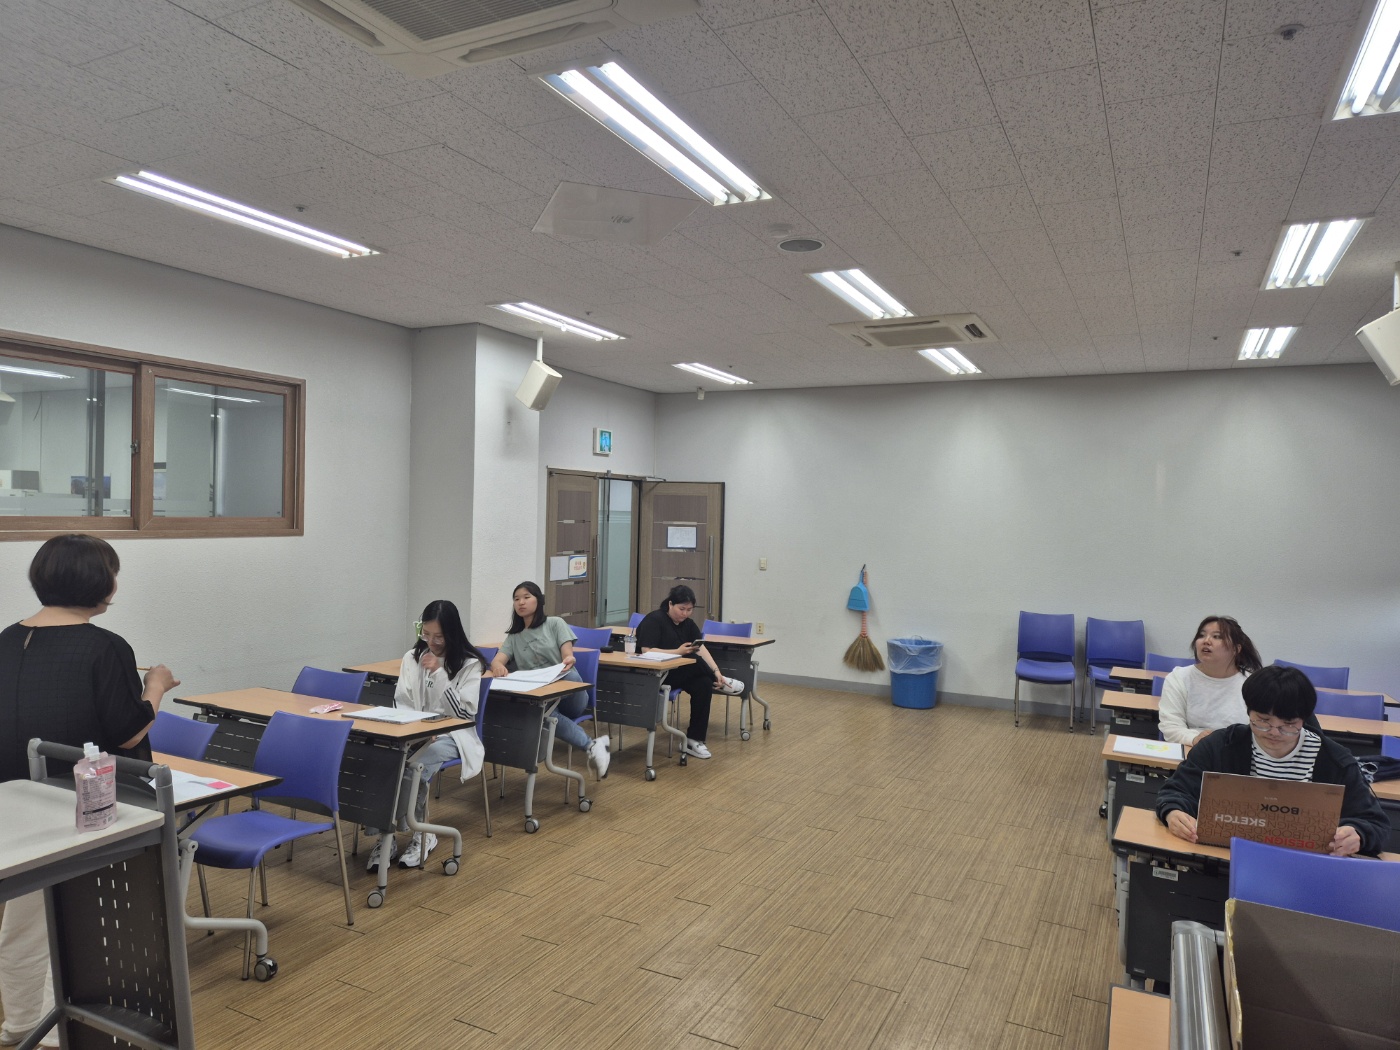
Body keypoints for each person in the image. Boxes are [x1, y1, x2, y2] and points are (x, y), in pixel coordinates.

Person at [0, 534, 179, 1049]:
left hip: (18, 794)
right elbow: (129, 731)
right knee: (76, 918)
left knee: (26, 914)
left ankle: (20, 1022)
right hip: (82, 804)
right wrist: (157, 684)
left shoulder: (7, 638)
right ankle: (59, 1031)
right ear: (100, 583)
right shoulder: (105, 646)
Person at [1156, 664, 1389, 857]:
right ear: (1249, 711)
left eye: (1288, 725)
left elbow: (1375, 824)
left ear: (1304, 719)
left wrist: (1357, 834)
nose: (1274, 732)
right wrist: (1173, 812)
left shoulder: (1334, 761)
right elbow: (1176, 791)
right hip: (1228, 860)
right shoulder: (1219, 746)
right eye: (1263, 721)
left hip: (1303, 867)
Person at [365, 600, 487, 871]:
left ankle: (421, 834)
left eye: (439, 637)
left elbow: (464, 714)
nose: (431, 642)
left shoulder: (470, 664)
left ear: (452, 633)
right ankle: (386, 836)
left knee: (413, 767)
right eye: (426, 634)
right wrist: (418, 728)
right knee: (381, 760)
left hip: (453, 735)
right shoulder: (412, 657)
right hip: (416, 731)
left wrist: (440, 674)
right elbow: (401, 700)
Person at [484, 581, 610, 779]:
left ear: (539, 600)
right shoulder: (515, 636)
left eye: (526, 597)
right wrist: (498, 666)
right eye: (516, 599)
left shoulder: (555, 623)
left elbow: (567, 653)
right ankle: (593, 746)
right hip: (543, 696)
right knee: (544, 714)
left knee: (569, 676)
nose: (521, 603)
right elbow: (497, 660)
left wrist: (569, 658)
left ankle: (592, 745)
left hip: (571, 695)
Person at [634, 585, 744, 760]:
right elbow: (646, 651)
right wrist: (678, 652)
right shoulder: (654, 619)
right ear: (670, 604)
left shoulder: (688, 624)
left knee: (704, 684)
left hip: (679, 673)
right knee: (693, 660)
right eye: (682, 609)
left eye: (689, 609)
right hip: (655, 675)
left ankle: (694, 740)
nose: (685, 613)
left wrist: (716, 671)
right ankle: (723, 683)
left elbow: (701, 649)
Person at [1157, 615, 1262, 746]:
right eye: (1201, 635)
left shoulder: (1254, 683)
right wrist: (1195, 739)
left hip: (1238, 750)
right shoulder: (1179, 677)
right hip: (1193, 748)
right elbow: (1171, 726)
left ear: (1236, 649)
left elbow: (1263, 727)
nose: (1206, 641)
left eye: (1217, 636)